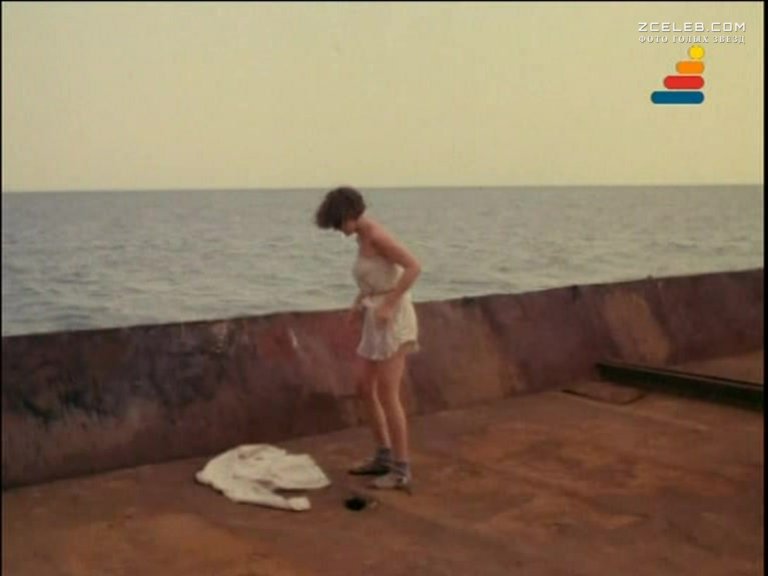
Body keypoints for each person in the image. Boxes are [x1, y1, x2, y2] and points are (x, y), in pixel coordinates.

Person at [315, 186, 421, 491]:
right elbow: (373, 277)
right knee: (363, 386)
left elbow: (413, 267)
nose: (339, 231)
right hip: (374, 315)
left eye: (339, 224)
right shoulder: (361, 238)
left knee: (388, 393)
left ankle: (401, 469)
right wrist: (357, 304)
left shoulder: (376, 236)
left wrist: (389, 304)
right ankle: (383, 455)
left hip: (393, 317)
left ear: (350, 215)